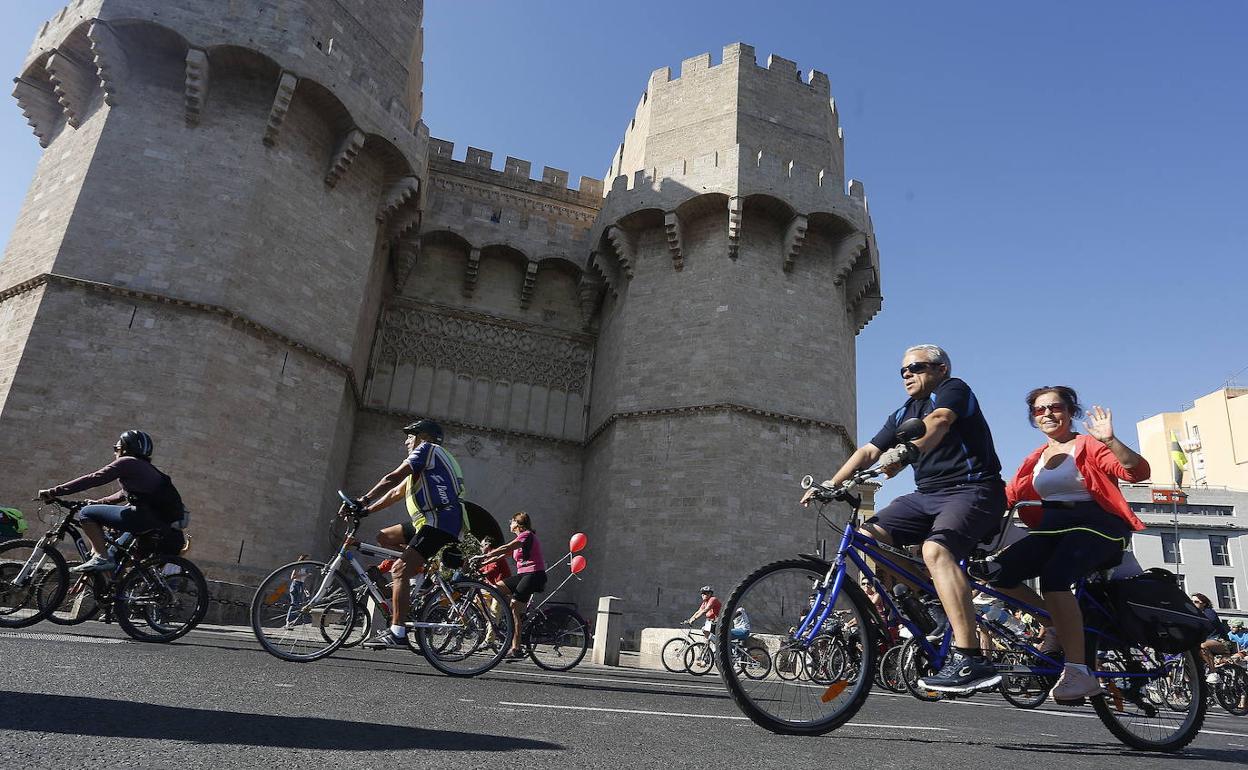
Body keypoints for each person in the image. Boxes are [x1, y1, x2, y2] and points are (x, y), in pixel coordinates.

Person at [804, 344, 1006, 692]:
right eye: (903, 371)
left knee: (935, 551)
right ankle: (931, 600)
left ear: (941, 368)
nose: (907, 375)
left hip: (973, 490)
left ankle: (971, 658)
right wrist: (831, 484)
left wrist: (909, 449)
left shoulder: (953, 389)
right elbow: (869, 450)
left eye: (916, 367)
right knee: (868, 537)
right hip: (927, 497)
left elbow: (940, 421)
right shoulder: (902, 414)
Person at [986, 387, 1149, 701]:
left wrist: (1110, 440)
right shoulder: (1033, 459)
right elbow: (1005, 499)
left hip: (1098, 527)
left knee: (1054, 578)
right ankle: (1055, 623)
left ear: (1070, 411)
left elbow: (1137, 472)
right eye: (1039, 409)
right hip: (1052, 530)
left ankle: (1078, 671)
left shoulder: (1088, 446)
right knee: (994, 573)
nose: (1047, 413)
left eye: (1055, 407)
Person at [345, 419, 468, 649]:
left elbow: (392, 478)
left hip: (441, 521)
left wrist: (362, 499)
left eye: (410, 436)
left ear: (424, 437)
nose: (406, 441)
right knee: (384, 537)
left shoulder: (428, 450)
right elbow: (395, 492)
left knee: (398, 569)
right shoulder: (426, 466)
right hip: (428, 522)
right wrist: (366, 511)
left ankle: (398, 633)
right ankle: (417, 566)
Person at [37, 430, 184, 572]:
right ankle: (116, 582)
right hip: (158, 521)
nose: (115, 452)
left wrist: (54, 492)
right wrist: (98, 502)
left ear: (124, 449)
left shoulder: (127, 462)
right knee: (116, 550)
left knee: (86, 513)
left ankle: (102, 557)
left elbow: (95, 478)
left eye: (116, 448)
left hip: (142, 517)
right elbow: (122, 494)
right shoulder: (147, 469)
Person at [478, 512, 546, 658]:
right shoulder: (520, 539)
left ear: (518, 523)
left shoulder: (526, 536)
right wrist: (483, 562)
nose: (509, 524)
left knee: (515, 605)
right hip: (523, 575)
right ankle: (509, 619)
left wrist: (485, 555)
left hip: (534, 574)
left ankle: (516, 648)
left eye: (511, 521)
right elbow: (503, 555)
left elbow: (506, 548)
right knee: (496, 589)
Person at [1192, 592, 1234, 680]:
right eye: (1191, 602)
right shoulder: (1194, 615)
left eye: (1195, 602)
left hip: (1223, 643)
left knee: (1203, 646)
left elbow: (1207, 621)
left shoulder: (1209, 612)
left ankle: (1213, 672)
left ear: (1204, 603)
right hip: (1210, 643)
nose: (1193, 604)